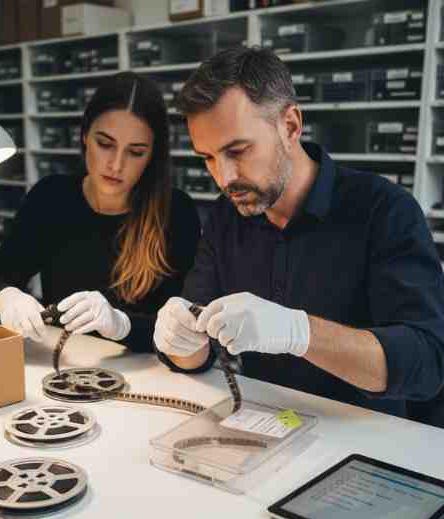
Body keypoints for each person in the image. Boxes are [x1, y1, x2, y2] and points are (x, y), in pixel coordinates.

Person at [153, 46, 444, 418]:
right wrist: (181, 341)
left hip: (364, 437)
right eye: (207, 158)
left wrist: (299, 331)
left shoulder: (385, 210)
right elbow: (197, 353)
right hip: (268, 425)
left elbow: (428, 363)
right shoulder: (226, 216)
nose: (223, 178)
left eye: (237, 150)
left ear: (290, 125)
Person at [0, 72, 200, 352]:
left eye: (136, 152)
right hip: (65, 364)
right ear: (84, 136)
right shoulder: (52, 197)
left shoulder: (177, 212)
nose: (116, 165)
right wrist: (6, 298)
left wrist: (121, 324)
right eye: (104, 144)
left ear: (152, 156)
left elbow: (187, 329)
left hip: (148, 371)